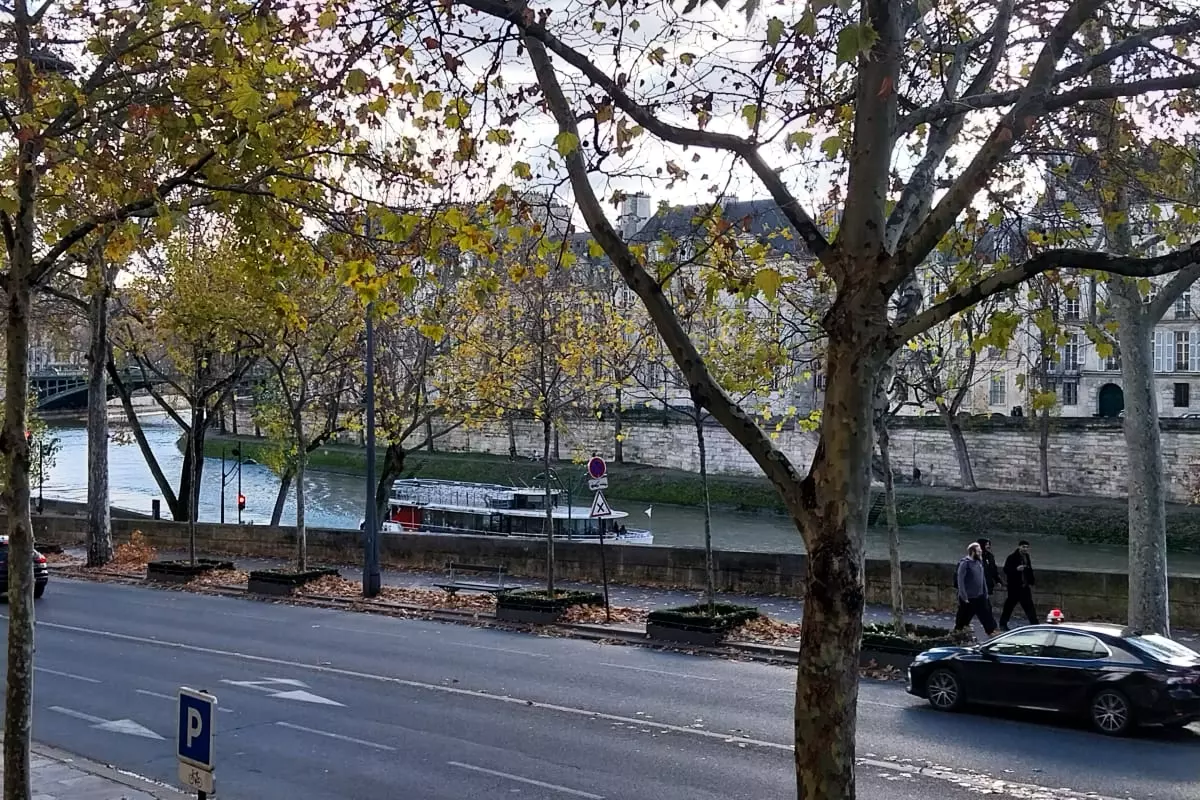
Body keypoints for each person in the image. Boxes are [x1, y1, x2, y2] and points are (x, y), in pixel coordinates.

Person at [954, 542, 997, 638]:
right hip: (969, 597)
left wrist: (985, 592)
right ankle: (958, 632)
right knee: (963, 617)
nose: (981, 553)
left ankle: (990, 631)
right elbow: (960, 581)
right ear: (973, 552)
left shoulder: (979, 562)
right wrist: (964, 596)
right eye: (978, 551)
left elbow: (982, 579)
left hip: (980, 595)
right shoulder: (965, 563)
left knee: (985, 614)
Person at [999, 540, 1038, 630]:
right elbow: (1006, 570)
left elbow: (1029, 569)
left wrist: (1031, 580)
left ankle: (1035, 625)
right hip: (1014, 587)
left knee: (1029, 607)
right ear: (1019, 547)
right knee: (1009, 606)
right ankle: (1003, 623)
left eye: (1027, 547)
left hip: (1024, 586)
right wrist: (1016, 569)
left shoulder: (1026, 557)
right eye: (1023, 547)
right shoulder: (1012, 557)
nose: (1025, 549)